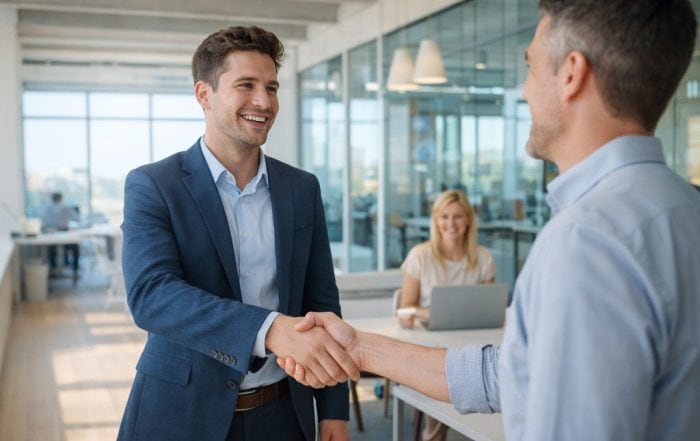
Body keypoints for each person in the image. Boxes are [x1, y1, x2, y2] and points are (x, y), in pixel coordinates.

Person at [279, 1, 700, 440]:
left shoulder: (587, 239)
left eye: (530, 67)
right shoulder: (683, 207)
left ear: (572, 74)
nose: (524, 91)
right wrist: (361, 347)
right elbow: (511, 373)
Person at [117, 26, 358, 441]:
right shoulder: (154, 184)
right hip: (181, 415)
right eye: (245, 85)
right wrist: (269, 329)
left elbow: (322, 303)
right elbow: (152, 296)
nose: (263, 102)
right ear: (204, 95)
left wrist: (334, 408)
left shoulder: (302, 189)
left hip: (284, 413)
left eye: (271, 87)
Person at [397, 190, 495, 441]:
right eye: (444, 217)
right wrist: (429, 313)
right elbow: (405, 308)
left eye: (458, 217)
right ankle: (434, 433)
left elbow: (489, 307)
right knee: (444, 384)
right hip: (433, 344)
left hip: (472, 341)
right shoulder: (420, 255)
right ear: (436, 220)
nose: (450, 224)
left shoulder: (483, 258)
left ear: (469, 220)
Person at [42, 192, 80, 276]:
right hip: (64, 233)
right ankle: (75, 269)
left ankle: (53, 267)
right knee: (75, 247)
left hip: (52, 233)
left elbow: (44, 220)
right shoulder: (66, 207)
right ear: (61, 198)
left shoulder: (48, 208)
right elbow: (76, 218)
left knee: (51, 248)